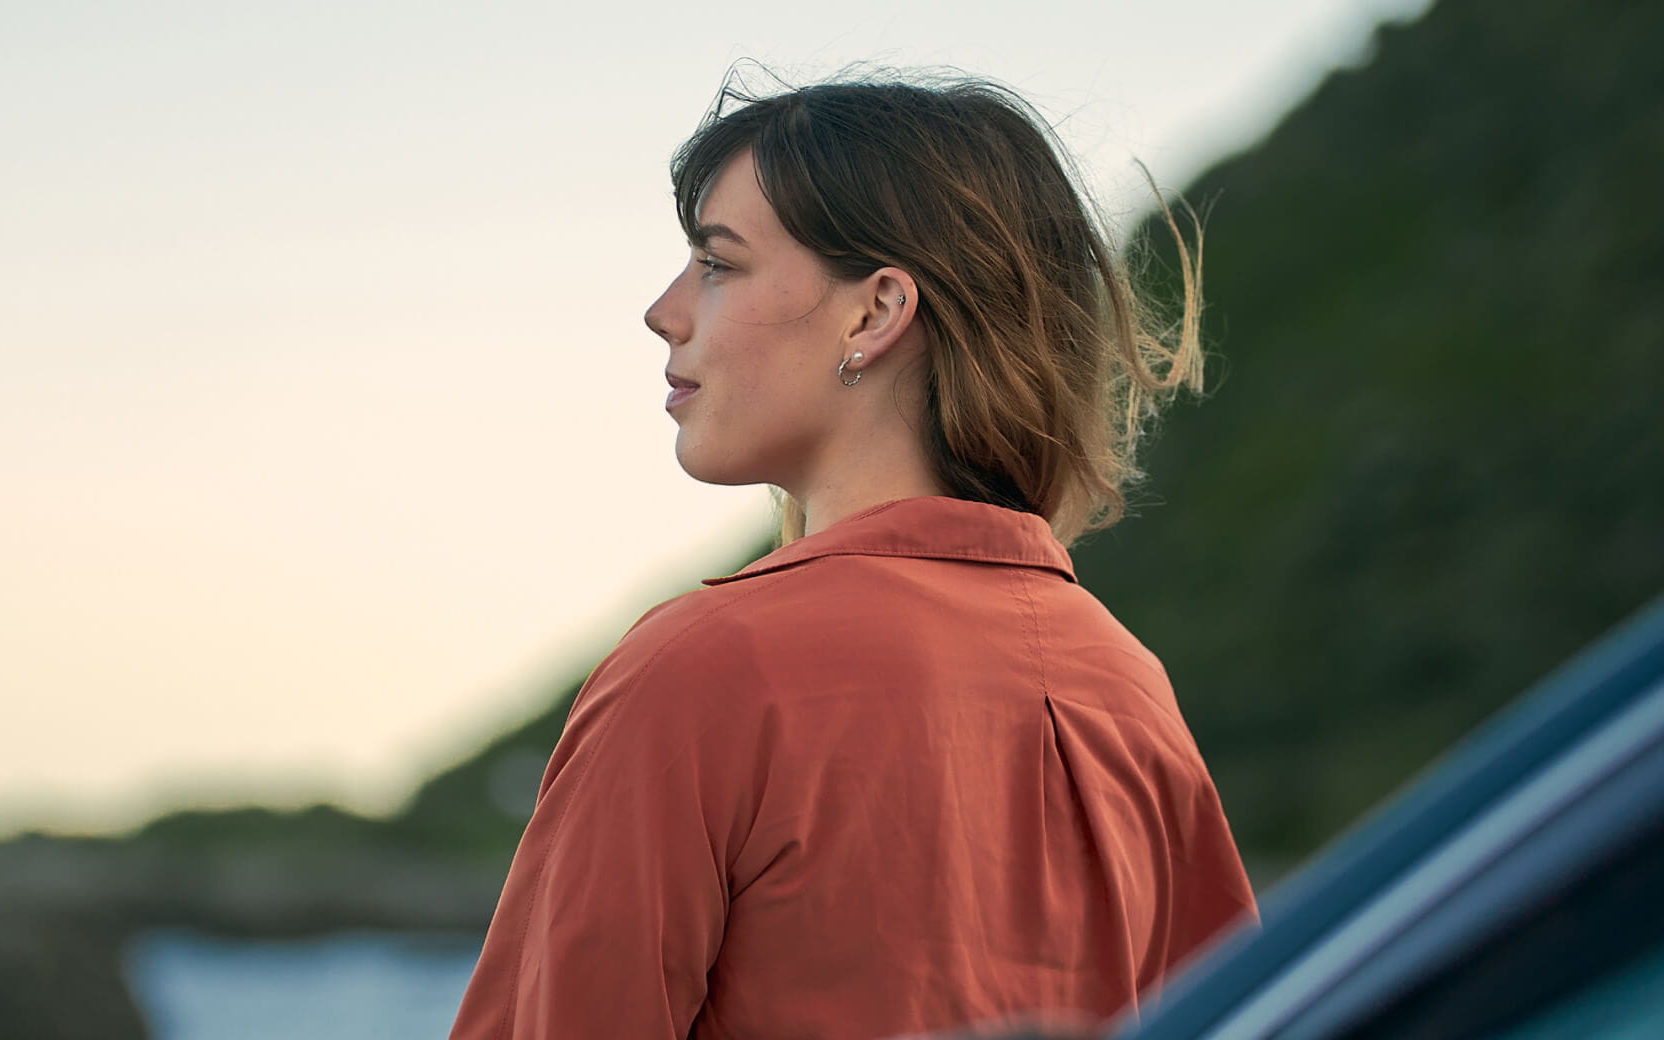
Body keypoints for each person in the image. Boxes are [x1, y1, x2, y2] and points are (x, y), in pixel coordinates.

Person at [447, 68, 1258, 1040]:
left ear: (874, 314)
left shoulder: (705, 671)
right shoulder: (1127, 686)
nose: (664, 309)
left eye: (717, 263)